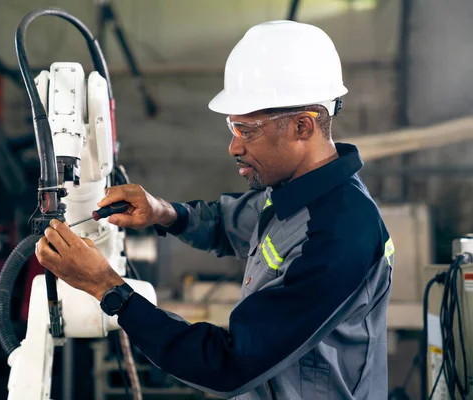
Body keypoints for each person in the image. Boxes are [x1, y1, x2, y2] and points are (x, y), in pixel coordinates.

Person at [36, 20, 394, 400]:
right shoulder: (294, 193)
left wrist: (106, 287)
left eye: (247, 131)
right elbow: (228, 223)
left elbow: (229, 364)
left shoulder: (339, 234)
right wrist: (162, 212)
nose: (233, 147)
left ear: (303, 126)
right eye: (232, 127)